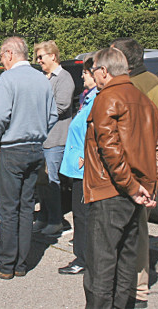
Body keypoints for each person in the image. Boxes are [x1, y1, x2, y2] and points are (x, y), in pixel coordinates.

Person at [82, 47, 158, 309]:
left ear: (104, 71)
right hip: (135, 193)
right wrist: (149, 187)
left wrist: (132, 187)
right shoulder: (145, 101)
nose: (92, 74)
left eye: (94, 69)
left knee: (101, 266)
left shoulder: (106, 97)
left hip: (111, 191)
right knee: (126, 262)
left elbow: (110, 148)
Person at [111, 38, 158, 309]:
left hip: (142, 171)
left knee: (137, 230)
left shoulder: (151, 85)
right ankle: (123, 283)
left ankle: (137, 291)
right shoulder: (124, 84)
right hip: (126, 170)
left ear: (124, 60)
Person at [0, 37, 58, 280]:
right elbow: (53, 114)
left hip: (12, 148)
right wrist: (39, 133)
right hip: (35, 149)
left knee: (8, 208)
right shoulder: (42, 79)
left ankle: (5, 264)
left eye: (3, 57)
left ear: (10, 54)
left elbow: (0, 116)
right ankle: (21, 263)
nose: (2, 62)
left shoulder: (9, 78)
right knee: (26, 208)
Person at [58, 54, 98, 275]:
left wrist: (85, 154)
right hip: (77, 166)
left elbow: (94, 133)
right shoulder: (87, 98)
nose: (82, 76)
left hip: (86, 167)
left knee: (83, 215)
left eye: (85, 73)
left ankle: (83, 259)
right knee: (80, 214)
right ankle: (82, 255)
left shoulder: (97, 99)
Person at [33, 41, 74, 236]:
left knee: (52, 180)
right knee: (41, 180)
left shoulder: (64, 78)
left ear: (53, 56)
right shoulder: (42, 78)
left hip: (55, 137)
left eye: (41, 56)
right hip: (41, 138)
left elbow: (61, 107)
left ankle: (56, 220)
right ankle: (43, 216)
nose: (38, 60)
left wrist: (37, 114)